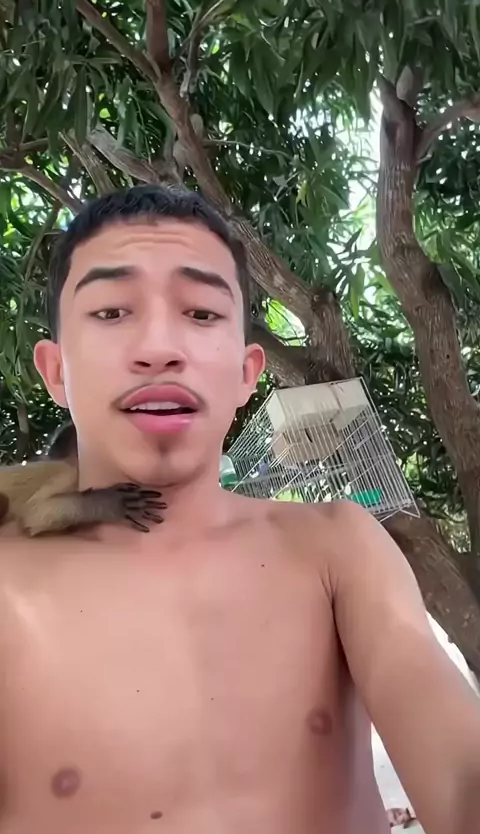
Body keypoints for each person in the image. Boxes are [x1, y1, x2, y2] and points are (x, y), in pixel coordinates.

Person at [0, 184, 478, 834]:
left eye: (201, 313)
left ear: (248, 373)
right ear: (56, 372)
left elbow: (457, 759)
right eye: (112, 312)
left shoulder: (337, 549)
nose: (159, 347)